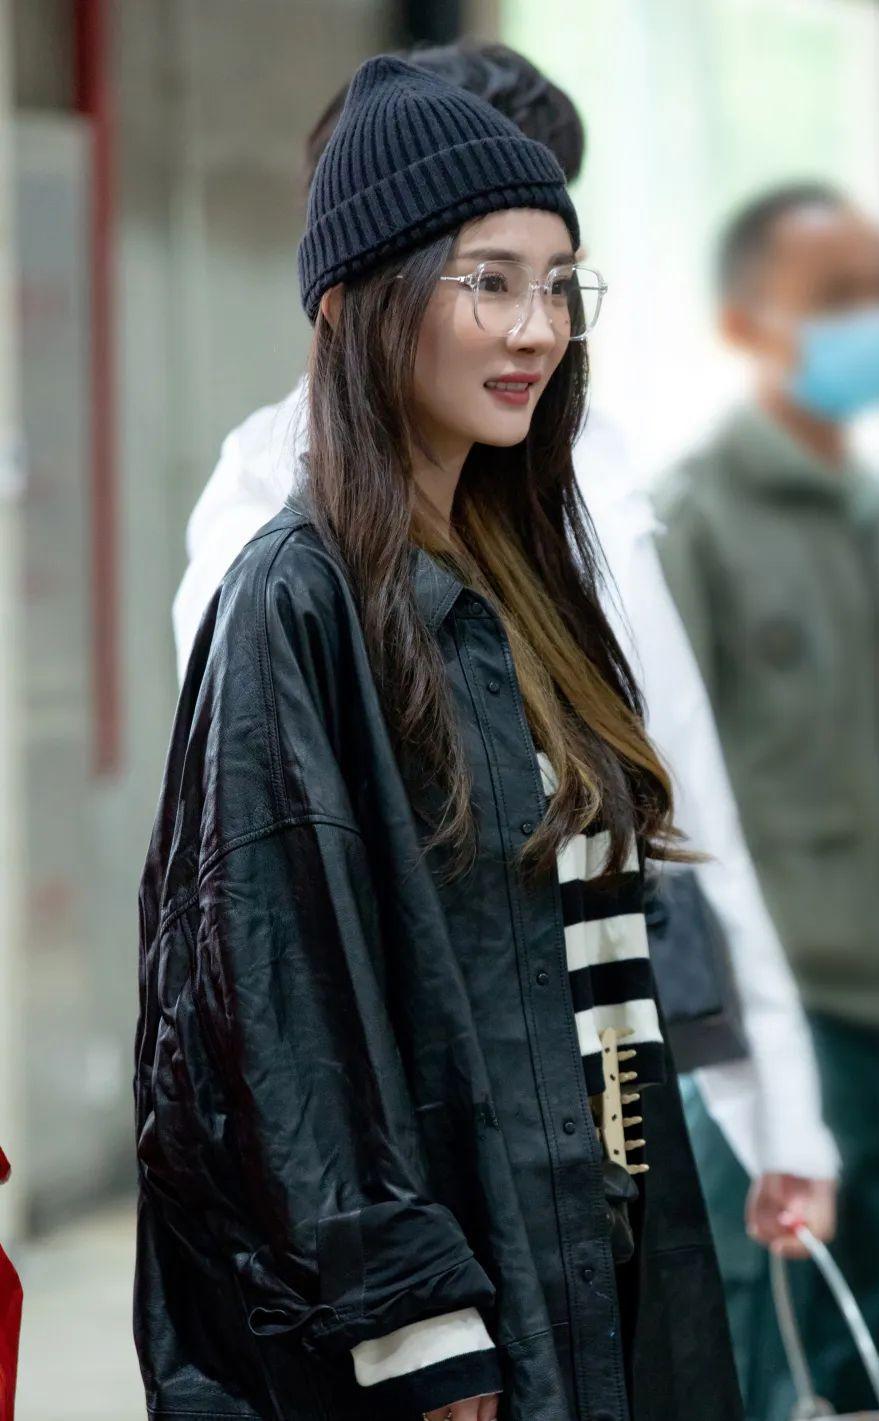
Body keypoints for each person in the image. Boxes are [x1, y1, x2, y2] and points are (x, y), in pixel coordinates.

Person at [135, 55, 743, 1421]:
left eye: (559, 284)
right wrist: (414, 1322)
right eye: (489, 282)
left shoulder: (525, 574)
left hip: (596, 1247)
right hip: (461, 1318)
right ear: (357, 304)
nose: (536, 328)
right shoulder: (295, 598)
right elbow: (272, 996)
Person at [655, 183, 879, 1417]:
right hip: (784, 1024)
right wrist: (721, 1048)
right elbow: (663, 810)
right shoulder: (690, 525)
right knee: (759, 1358)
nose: (868, 322)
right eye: (832, 299)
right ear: (742, 321)